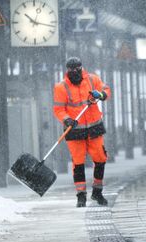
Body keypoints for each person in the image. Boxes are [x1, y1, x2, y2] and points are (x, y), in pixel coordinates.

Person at [53, 57, 111, 207]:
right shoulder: (61, 87)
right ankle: (81, 196)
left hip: (94, 127)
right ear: (67, 70)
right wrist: (66, 119)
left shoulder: (92, 80)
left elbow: (106, 89)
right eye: (71, 70)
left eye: (77, 69)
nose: (74, 72)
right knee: (78, 163)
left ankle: (97, 192)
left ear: (81, 68)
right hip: (74, 130)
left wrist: (101, 95)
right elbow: (58, 109)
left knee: (100, 158)